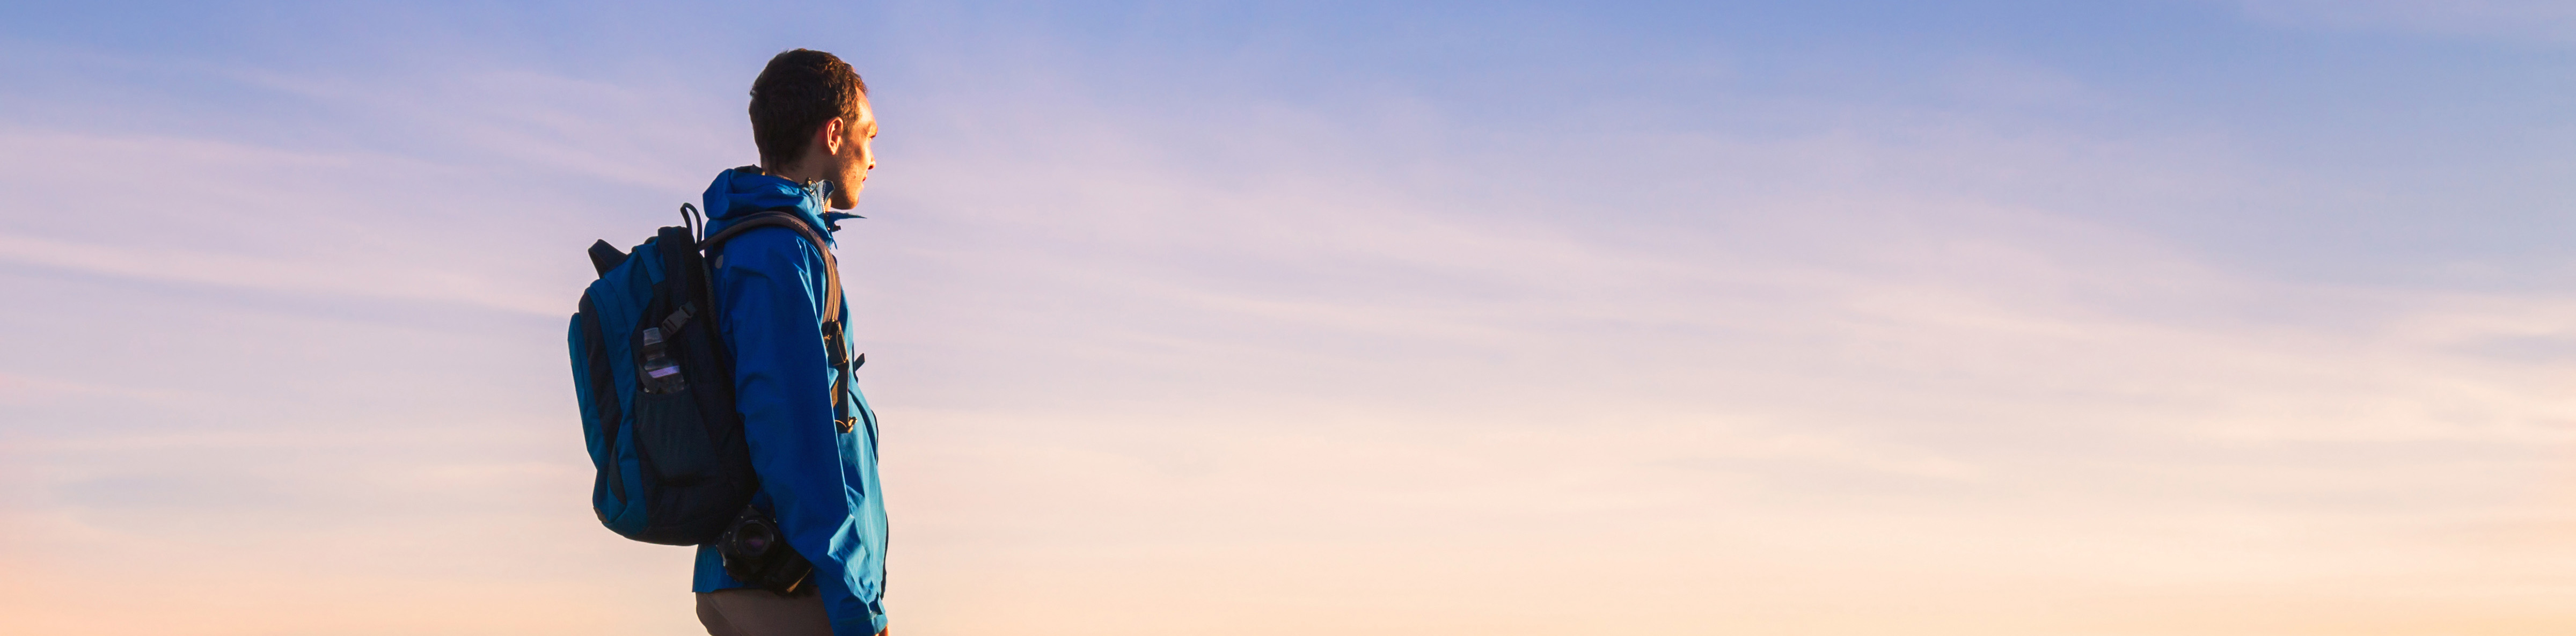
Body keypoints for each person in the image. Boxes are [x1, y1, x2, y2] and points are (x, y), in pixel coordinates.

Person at [691, 48, 889, 636]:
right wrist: (857, 608)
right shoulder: (777, 253)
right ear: (834, 133)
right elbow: (794, 440)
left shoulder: (767, 241)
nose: (874, 158)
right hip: (785, 584)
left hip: (771, 574)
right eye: (868, 135)